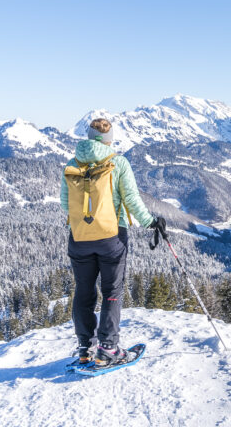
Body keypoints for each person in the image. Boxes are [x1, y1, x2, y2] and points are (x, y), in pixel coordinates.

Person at [60, 117, 166, 367]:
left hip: (79, 238)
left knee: (83, 291)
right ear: (110, 140)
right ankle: (108, 349)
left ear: (87, 137)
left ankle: (85, 348)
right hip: (112, 238)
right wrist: (151, 222)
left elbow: (66, 205)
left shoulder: (72, 163)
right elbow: (131, 199)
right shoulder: (117, 163)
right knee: (111, 291)